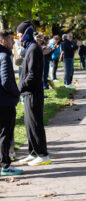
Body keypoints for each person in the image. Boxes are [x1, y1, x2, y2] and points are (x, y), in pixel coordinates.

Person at [16, 20, 51, 166]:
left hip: (33, 93)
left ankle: (43, 155)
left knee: (35, 124)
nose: (18, 38)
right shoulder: (30, 47)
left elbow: (32, 75)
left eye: (19, 35)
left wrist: (18, 88)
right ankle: (33, 152)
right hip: (28, 93)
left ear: (26, 34)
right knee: (29, 123)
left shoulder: (34, 49)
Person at [0, 30, 23, 176]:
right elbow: (6, 80)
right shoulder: (4, 56)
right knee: (5, 134)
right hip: (5, 102)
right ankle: (5, 165)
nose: (13, 42)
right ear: (3, 41)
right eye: (10, 40)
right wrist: (17, 93)